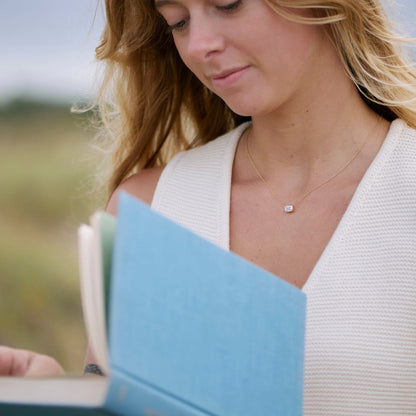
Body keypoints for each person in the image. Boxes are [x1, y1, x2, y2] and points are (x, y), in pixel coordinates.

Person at [1, 0, 416, 414]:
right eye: (178, 22)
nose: (198, 46)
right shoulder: (148, 209)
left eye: (227, 4)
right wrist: (54, 393)